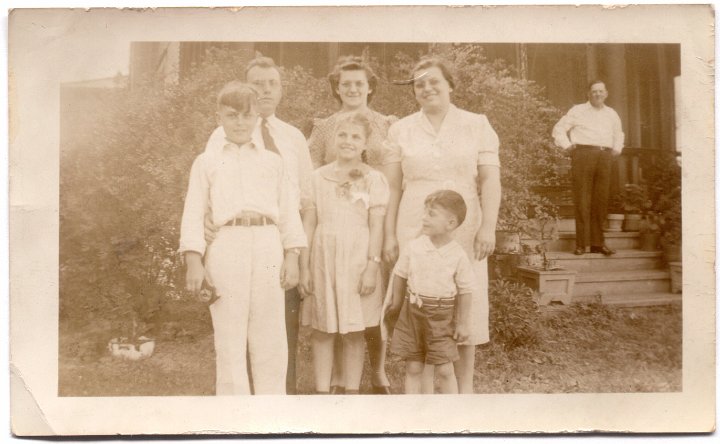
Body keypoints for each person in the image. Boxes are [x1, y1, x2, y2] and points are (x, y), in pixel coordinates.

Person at [382, 57, 501, 394]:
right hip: (415, 224)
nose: (427, 88)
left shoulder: (476, 124)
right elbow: (391, 186)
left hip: (463, 226)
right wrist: (390, 233)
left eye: (434, 81)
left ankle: (464, 391)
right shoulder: (401, 129)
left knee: (465, 300)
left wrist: (488, 227)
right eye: (419, 84)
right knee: (420, 302)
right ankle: (420, 392)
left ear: (450, 84)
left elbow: (491, 179)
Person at [179, 81, 307, 395]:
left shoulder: (273, 162)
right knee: (229, 333)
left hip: (267, 243)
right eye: (232, 115)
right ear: (219, 116)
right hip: (226, 244)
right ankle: (234, 412)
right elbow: (194, 211)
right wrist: (194, 259)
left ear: (257, 119)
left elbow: (289, 211)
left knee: (270, 332)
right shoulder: (206, 161)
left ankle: (270, 411)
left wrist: (292, 256)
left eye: (247, 116)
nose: (239, 123)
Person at [305, 55, 396, 394]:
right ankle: (331, 385)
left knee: (364, 312)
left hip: (367, 231)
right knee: (328, 316)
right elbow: (310, 172)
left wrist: (384, 242)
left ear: (370, 87)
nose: (353, 88)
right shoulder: (325, 126)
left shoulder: (385, 124)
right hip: (328, 233)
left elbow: (392, 177)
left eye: (360, 83)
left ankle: (374, 375)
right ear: (337, 88)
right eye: (346, 84)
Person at [385, 190, 475, 394]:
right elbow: (400, 273)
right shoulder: (414, 247)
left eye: (431, 214)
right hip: (413, 314)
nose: (424, 218)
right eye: (424, 212)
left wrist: (462, 323)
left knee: (444, 368)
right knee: (414, 366)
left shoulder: (457, 254)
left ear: (450, 223)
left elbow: (466, 289)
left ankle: (449, 416)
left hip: (441, 317)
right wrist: (397, 303)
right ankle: (414, 415)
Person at [552, 80, 625, 256]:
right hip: (583, 155)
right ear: (588, 94)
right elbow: (558, 129)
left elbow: (618, 133)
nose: (597, 94)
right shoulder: (577, 111)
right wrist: (567, 146)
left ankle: (598, 243)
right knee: (583, 200)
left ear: (606, 93)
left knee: (600, 200)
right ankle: (581, 244)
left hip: (604, 157)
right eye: (594, 91)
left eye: (600, 91)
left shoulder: (612, 113)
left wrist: (617, 148)